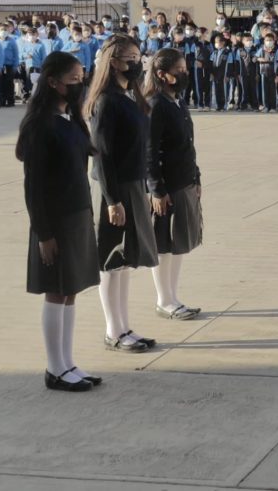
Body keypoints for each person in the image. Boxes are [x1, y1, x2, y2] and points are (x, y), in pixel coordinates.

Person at [17, 51, 101, 392]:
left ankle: (68, 363)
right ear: (52, 83)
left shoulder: (70, 119)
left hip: (78, 214)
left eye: (82, 78)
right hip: (55, 220)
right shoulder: (40, 125)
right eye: (74, 81)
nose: (80, 85)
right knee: (56, 291)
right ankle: (55, 368)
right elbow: (33, 187)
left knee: (71, 291)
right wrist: (44, 233)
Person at [85, 34, 159, 353]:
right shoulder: (106, 101)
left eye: (138, 57)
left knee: (125, 262)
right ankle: (113, 330)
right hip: (114, 190)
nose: (137, 63)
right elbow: (101, 156)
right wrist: (113, 200)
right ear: (112, 62)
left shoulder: (128, 95)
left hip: (133, 184)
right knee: (112, 262)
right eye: (130, 58)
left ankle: (124, 326)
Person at [144, 48, 203, 321]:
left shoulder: (177, 102)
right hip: (167, 186)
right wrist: (156, 188)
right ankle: (164, 299)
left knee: (179, 243)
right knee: (164, 244)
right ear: (162, 75)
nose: (184, 74)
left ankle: (173, 296)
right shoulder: (156, 105)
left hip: (184, 180)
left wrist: (196, 177)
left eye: (185, 69)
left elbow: (187, 146)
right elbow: (149, 151)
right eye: (179, 70)